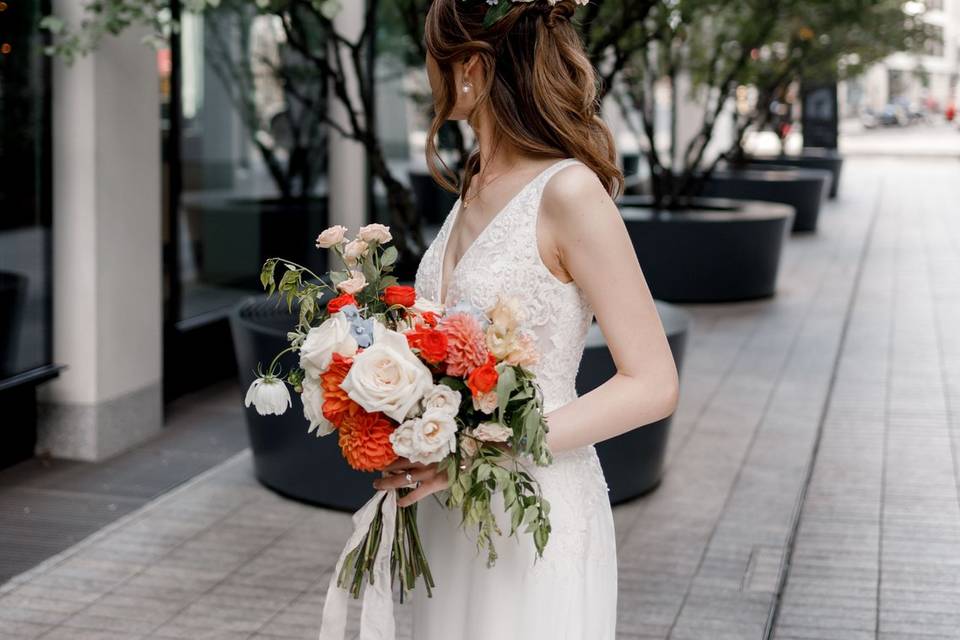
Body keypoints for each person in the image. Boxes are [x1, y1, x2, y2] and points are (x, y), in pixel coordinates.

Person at [373, 0, 680, 637]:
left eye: (434, 55)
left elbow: (653, 383)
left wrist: (486, 446)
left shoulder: (568, 192)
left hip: (536, 508)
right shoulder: (476, 181)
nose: (428, 73)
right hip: (450, 511)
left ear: (472, 67)